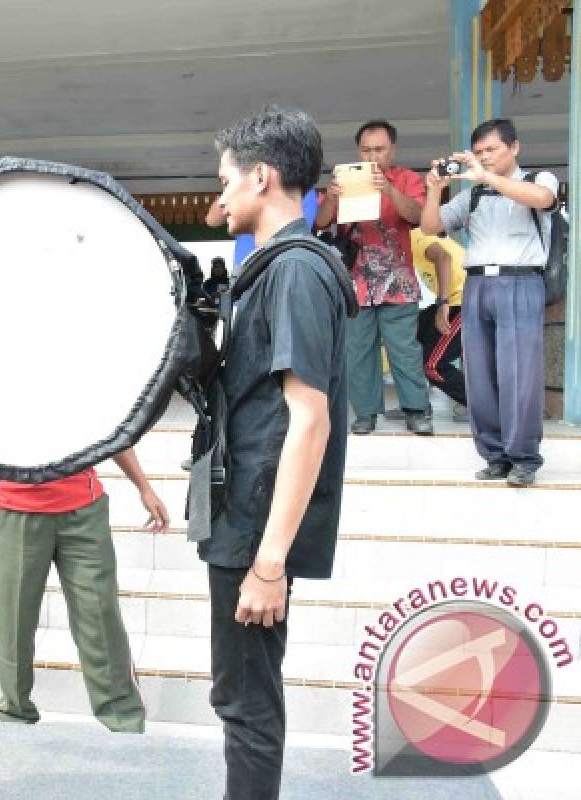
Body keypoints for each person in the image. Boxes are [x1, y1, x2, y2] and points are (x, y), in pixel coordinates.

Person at [205, 106, 354, 799]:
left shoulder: (295, 270)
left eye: (227, 181)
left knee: (247, 704)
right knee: (241, 697)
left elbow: (311, 421)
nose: (219, 198)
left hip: (257, 531)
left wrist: (269, 563)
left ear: (263, 177)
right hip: (245, 518)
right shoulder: (274, 269)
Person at [0, 450, 168, 733]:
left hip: (83, 509)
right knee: (13, 627)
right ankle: (15, 720)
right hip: (13, 507)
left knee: (101, 623)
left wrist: (144, 487)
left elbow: (111, 428)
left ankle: (124, 724)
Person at [420, 118, 558, 486]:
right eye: (478, 153)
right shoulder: (473, 195)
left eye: (491, 150)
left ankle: (524, 458)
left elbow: (544, 201)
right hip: (478, 285)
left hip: (520, 281)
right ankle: (494, 455)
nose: (484, 158)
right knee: (480, 374)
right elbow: (430, 226)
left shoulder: (537, 180)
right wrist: (434, 191)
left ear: (514, 148)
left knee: (520, 374)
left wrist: (487, 177)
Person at [314, 119, 431, 436]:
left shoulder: (407, 179)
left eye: (379, 149)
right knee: (358, 350)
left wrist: (388, 189)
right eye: (366, 150)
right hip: (355, 284)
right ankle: (365, 413)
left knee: (404, 349)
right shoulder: (343, 180)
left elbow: (417, 216)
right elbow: (321, 223)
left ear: (392, 149)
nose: (371, 156)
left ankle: (417, 410)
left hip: (399, 283)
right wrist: (333, 197)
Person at [410, 229, 468, 419]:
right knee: (406, 333)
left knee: (432, 365)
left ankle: (481, 406)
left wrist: (442, 303)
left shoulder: (416, 235)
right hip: (454, 301)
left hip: (464, 303)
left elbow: (443, 257)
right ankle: (412, 402)